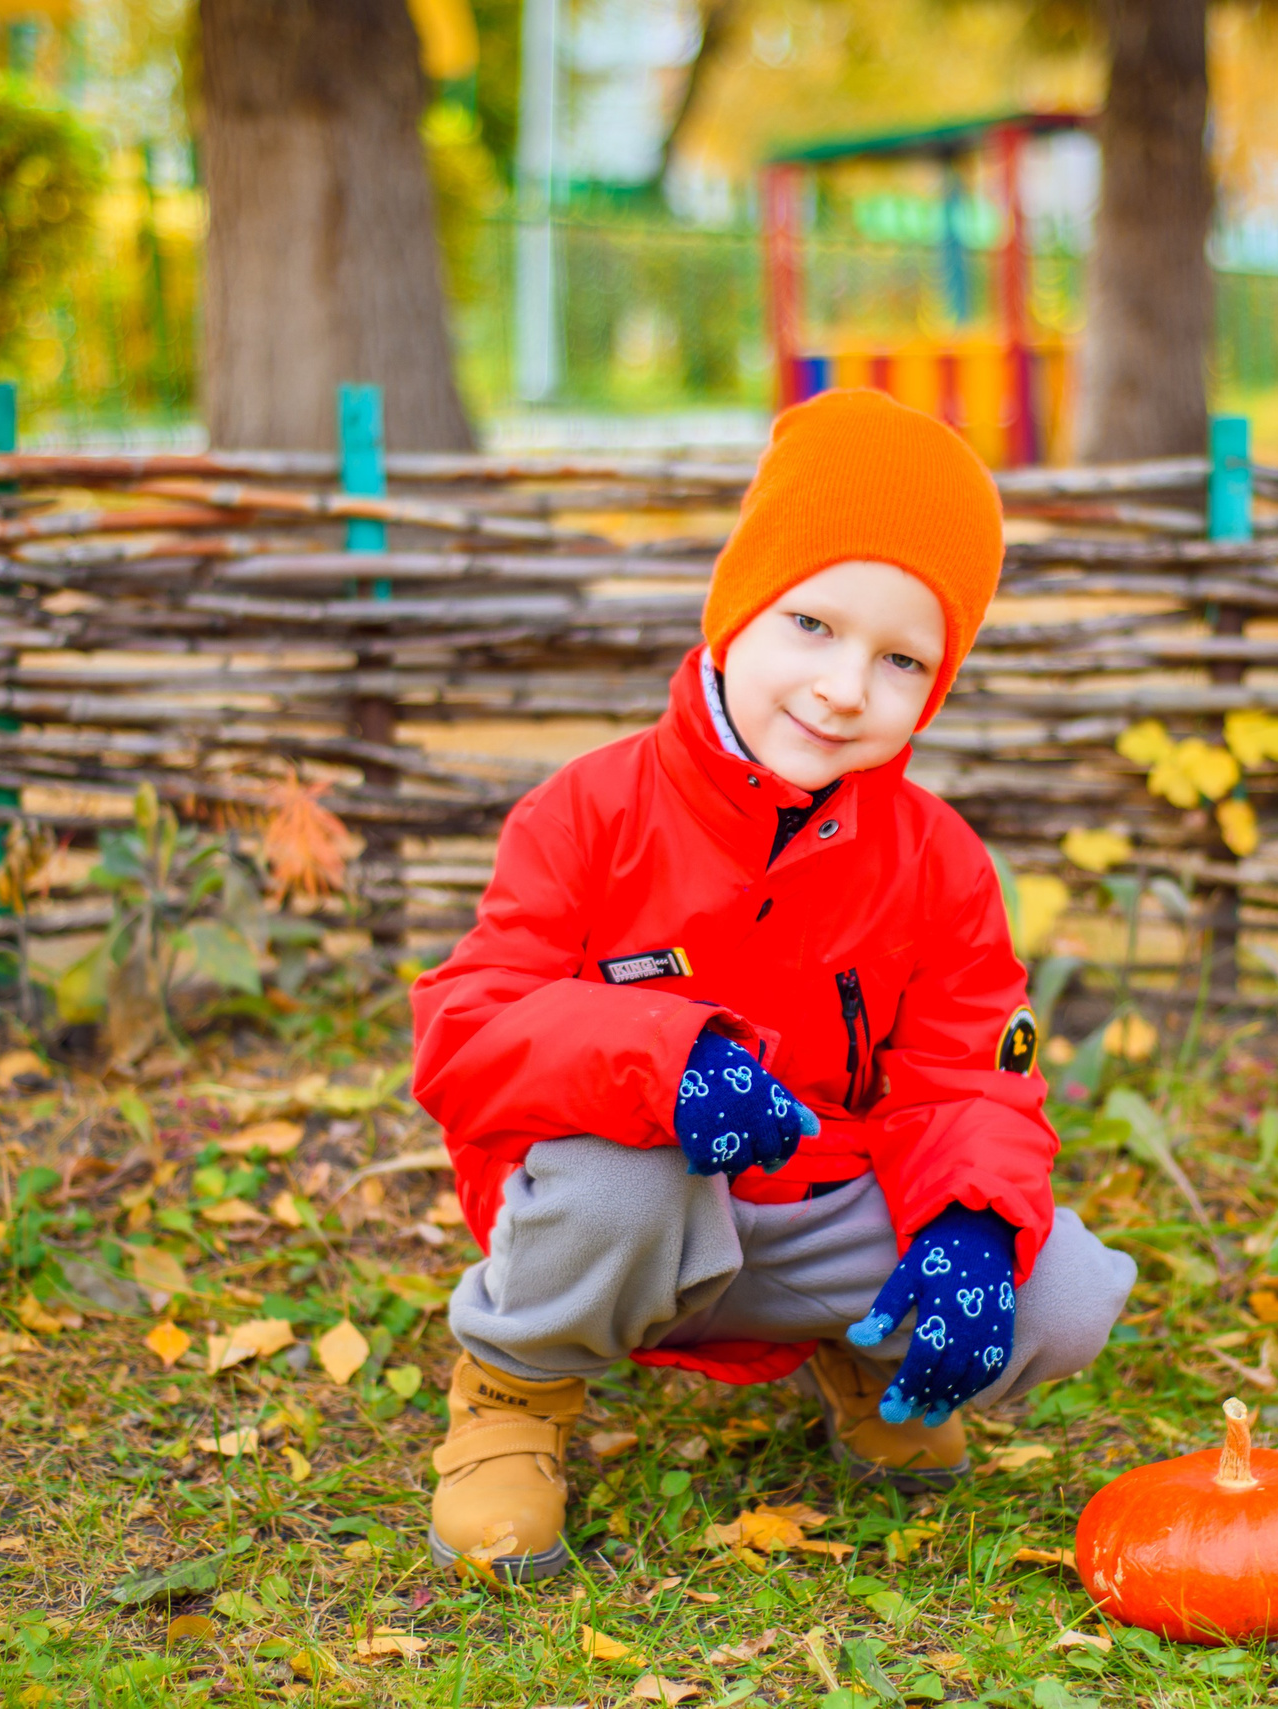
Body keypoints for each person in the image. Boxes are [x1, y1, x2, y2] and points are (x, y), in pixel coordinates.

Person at [409, 388, 1137, 1580]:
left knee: (1051, 1284)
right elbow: (465, 1031)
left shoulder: (937, 858)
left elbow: (964, 1074)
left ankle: (858, 1349)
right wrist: (665, 1058)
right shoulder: (590, 812)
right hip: (638, 1208)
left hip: (811, 1210)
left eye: (901, 656)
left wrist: (966, 1222)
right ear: (737, 609)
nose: (846, 686)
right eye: (811, 623)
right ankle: (516, 1386)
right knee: (614, 1184)